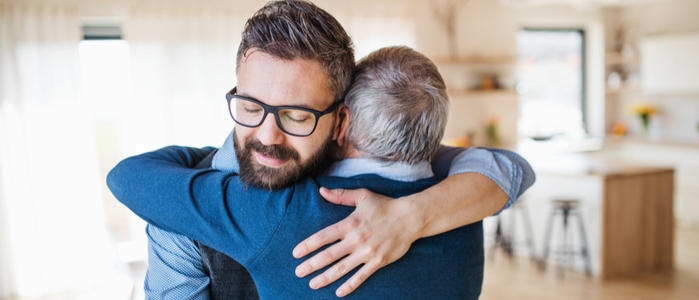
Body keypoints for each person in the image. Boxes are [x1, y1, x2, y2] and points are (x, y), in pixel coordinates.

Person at [119, 0, 535, 298]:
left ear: (340, 122)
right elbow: (503, 167)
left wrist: (411, 217)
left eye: (296, 116)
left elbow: (505, 167)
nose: (267, 136)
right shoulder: (458, 201)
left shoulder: (287, 211)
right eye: (249, 107)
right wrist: (417, 211)